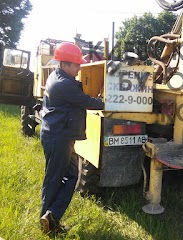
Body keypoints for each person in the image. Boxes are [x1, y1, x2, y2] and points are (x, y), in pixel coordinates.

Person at [39, 42, 104, 234]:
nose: (79, 68)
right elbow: (87, 102)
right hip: (58, 137)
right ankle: (48, 220)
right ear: (65, 64)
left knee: (71, 175)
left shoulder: (56, 76)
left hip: (59, 135)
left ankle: (50, 217)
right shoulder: (64, 84)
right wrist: (109, 101)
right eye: (76, 65)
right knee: (55, 178)